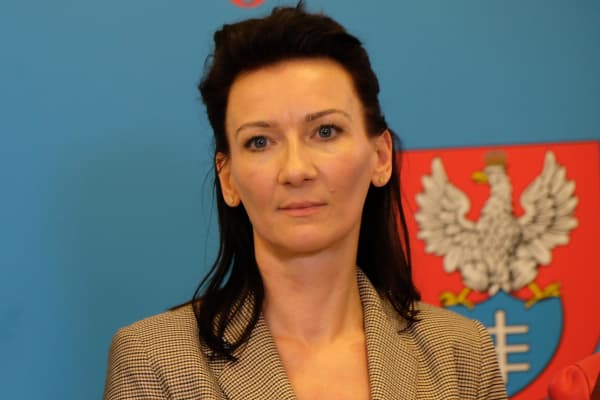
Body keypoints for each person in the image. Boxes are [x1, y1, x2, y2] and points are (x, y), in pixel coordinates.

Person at [103, 3, 507, 399]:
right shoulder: (155, 361)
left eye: (325, 132)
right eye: (260, 142)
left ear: (381, 157)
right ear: (228, 178)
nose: (296, 170)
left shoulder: (461, 353)